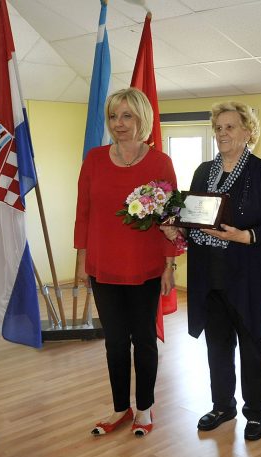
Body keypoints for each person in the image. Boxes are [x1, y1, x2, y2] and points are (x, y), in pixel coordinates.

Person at [161, 101, 261, 441]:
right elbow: (196, 217)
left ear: (248, 132)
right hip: (209, 274)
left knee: (252, 345)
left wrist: (245, 236)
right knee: (217, 344)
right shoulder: (203, 171)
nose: (222, 134)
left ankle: (255, 412)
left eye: (230, 127)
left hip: (250, 274)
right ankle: (222, 406)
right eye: (218, 128)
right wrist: (179, 228)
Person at [74, 87, 178, 437]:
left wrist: (169, 265)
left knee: (144, 340)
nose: (119, 123)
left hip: (145, 268)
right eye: (114, 116)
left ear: (142, 119)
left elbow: (171, 221)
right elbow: (83, 213)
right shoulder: (94, 159)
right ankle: (121, 408)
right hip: (103, 267)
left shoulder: (160, 163)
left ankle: (145, 409)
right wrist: (81, 260)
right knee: (115, 342)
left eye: (127, 115)